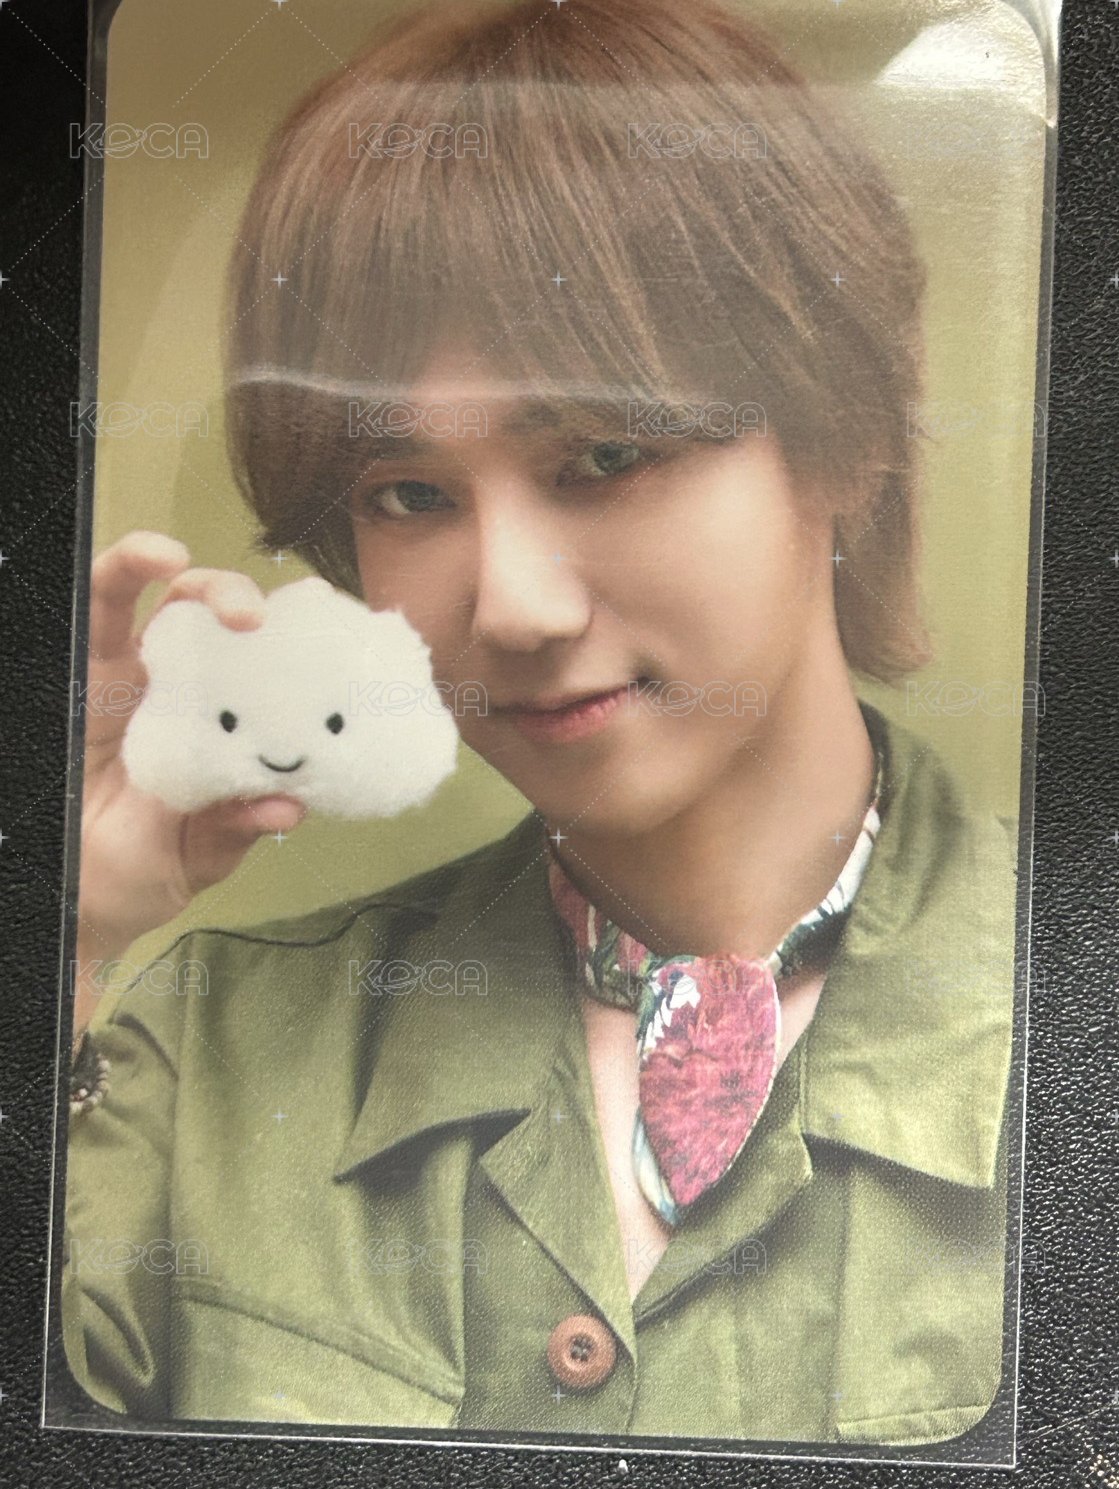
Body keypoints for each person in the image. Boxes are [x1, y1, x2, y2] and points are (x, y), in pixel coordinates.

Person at [60, 0, 1020, 1449]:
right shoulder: (207, 1055)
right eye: (409, 495)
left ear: (846, 435)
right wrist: (55, 923)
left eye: (605, 454)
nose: (510, 607)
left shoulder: (1072, 1005)